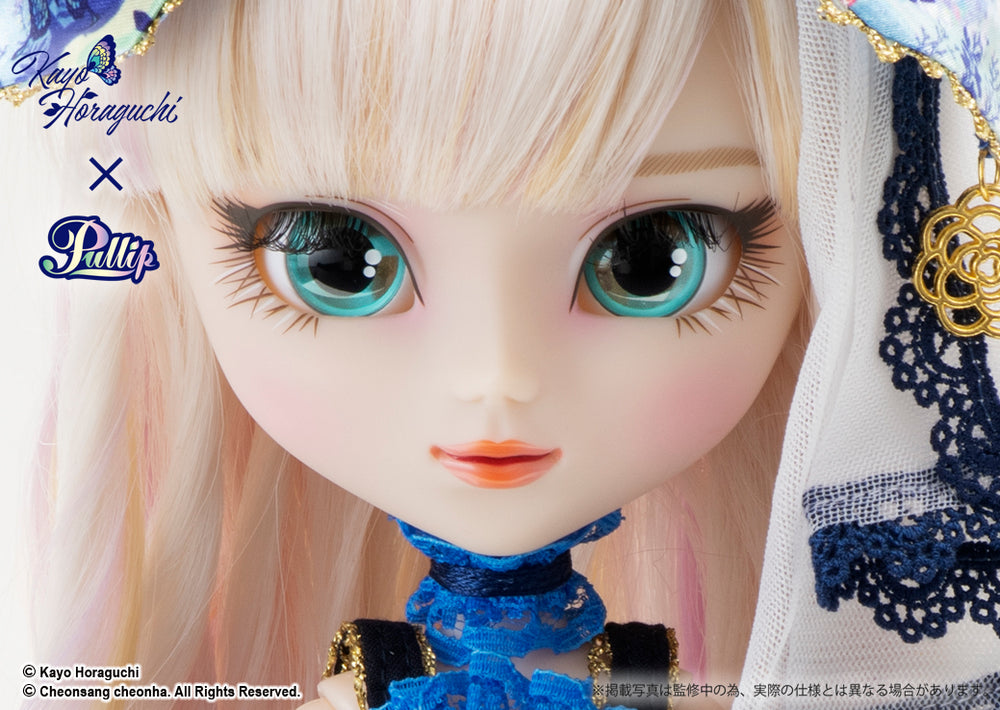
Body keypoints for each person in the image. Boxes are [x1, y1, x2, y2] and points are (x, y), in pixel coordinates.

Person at [4, 1, 997, 709]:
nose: (498, 376)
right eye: (337, 259)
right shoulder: (374, 672)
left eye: (648, 258)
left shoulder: (646, 670)